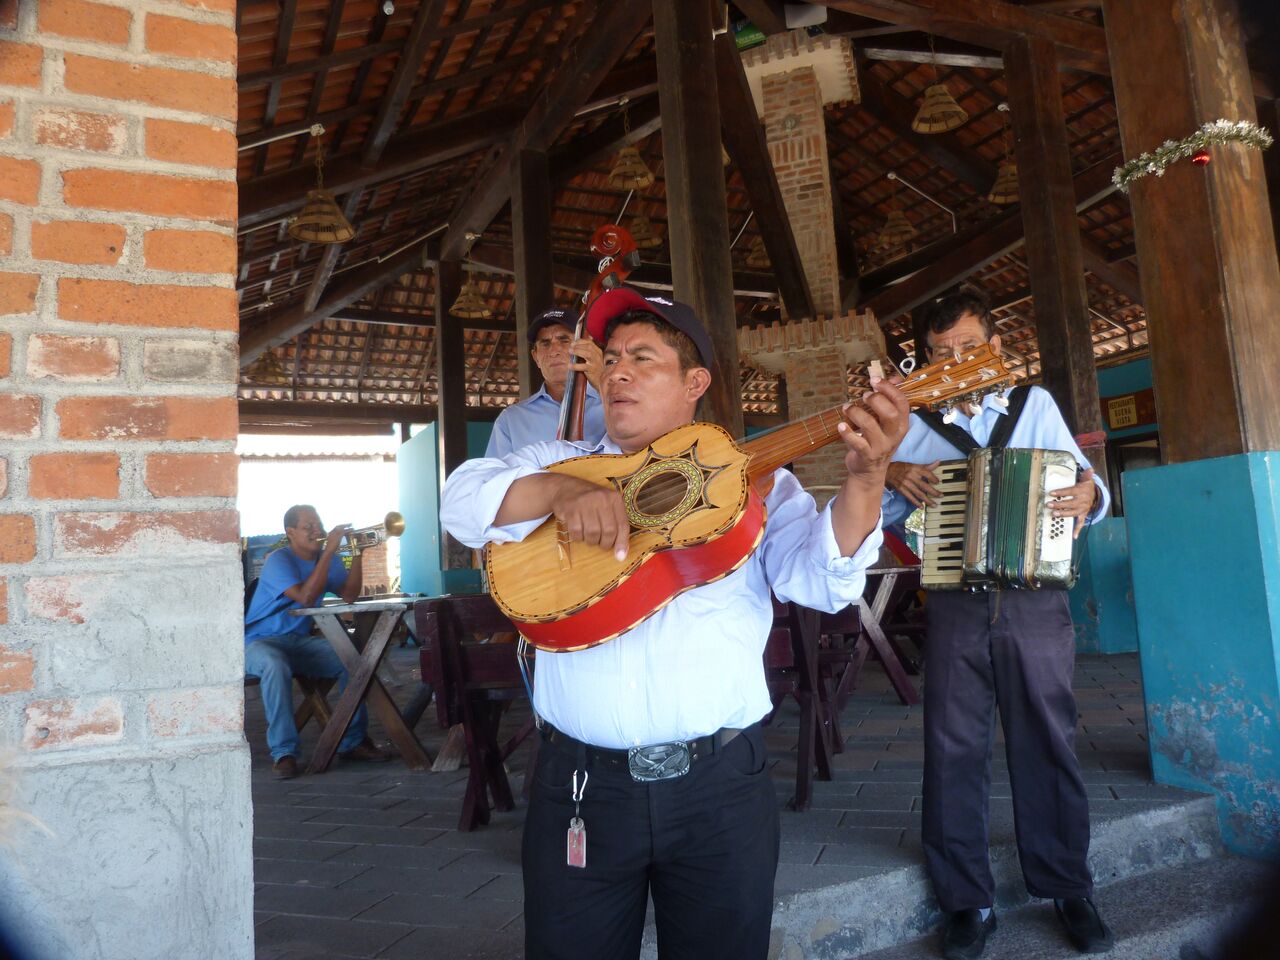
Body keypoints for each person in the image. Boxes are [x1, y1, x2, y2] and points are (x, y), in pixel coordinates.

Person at [441, 286, 910, 960]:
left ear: (695, 383)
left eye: (643, 358)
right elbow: (459, 501)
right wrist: (562, 491)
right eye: (610, 360)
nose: (617, 371)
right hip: (579, 786)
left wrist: (866, 480)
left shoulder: (762, 487)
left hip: (720, 790)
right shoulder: (555, 461)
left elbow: (820, 581)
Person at [882, 289, 1114, 959]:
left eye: (966, 349)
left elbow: (1086, 485)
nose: (953, 362)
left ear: (994, 350)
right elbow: (877, 518)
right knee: (953, 748)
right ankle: (967, 902)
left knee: (1048, 739)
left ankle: (1069, 887)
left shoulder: (1033, 405)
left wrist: (1089, 494)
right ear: (923, 358)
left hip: (1037, 598)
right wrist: (895, 475)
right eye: (938, 352)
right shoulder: (913, 427)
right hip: (954, 601)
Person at [244, 505, 391, 779]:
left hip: (298, 642)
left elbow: (348, 595)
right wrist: (329, 553)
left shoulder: (328, 558)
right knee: (275, 666)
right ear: (290, 532)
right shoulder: (279, 560)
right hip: (259, 642)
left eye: (318, 524)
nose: (317, 531)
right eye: (308, 527)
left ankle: (353, 741)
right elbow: (307, 597)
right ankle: (284, 753)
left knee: (353, 659)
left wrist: (357, 554)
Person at [484, 306, 607, 458]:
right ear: (535, 357)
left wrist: (604, 384)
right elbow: (496, 478)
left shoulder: (613, 402)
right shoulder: (511, 420)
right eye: (545, 343)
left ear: (586, 348)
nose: (554, 350)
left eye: (564, 340)